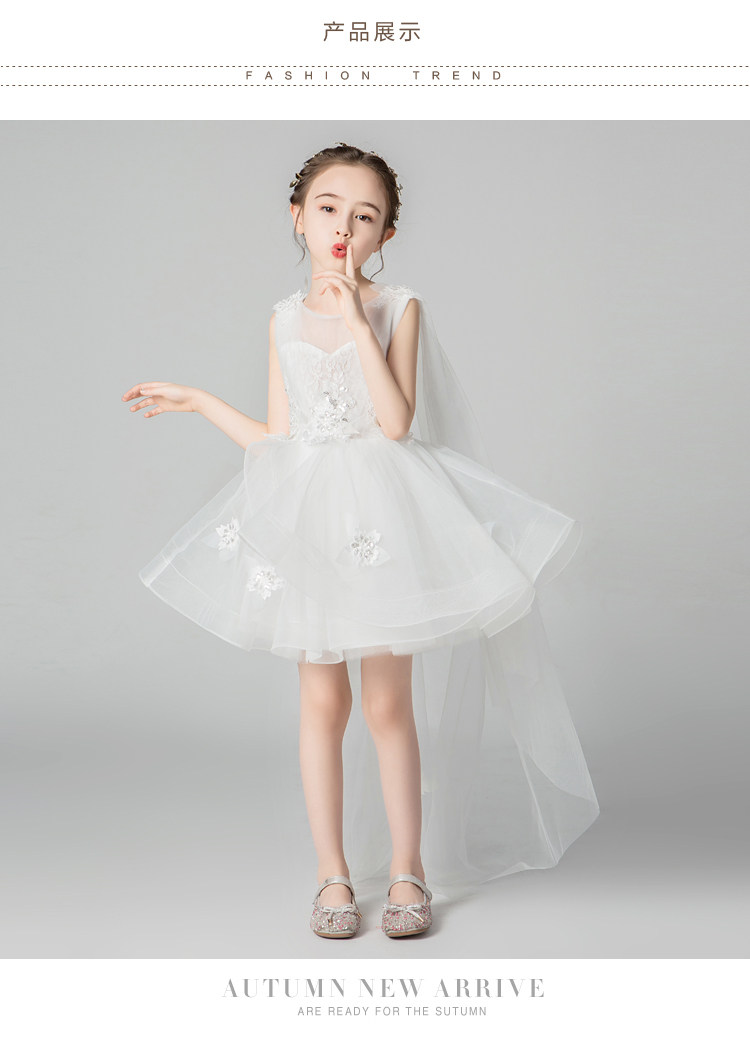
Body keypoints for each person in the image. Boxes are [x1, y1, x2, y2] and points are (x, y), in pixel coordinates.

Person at [122, 142, 599, 941]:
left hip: (383, 517)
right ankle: (332, 874)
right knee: (321, 702)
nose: (344, 226)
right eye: (329, 208)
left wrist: (353, 319)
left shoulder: (398, 307)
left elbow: (397, 421)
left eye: (365, 216)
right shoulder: (281, 318)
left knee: (387, 703)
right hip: (310, 521)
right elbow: (279, 442)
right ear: (298, 218)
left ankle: (408, 870)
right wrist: (201, 401)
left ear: (385, 235)